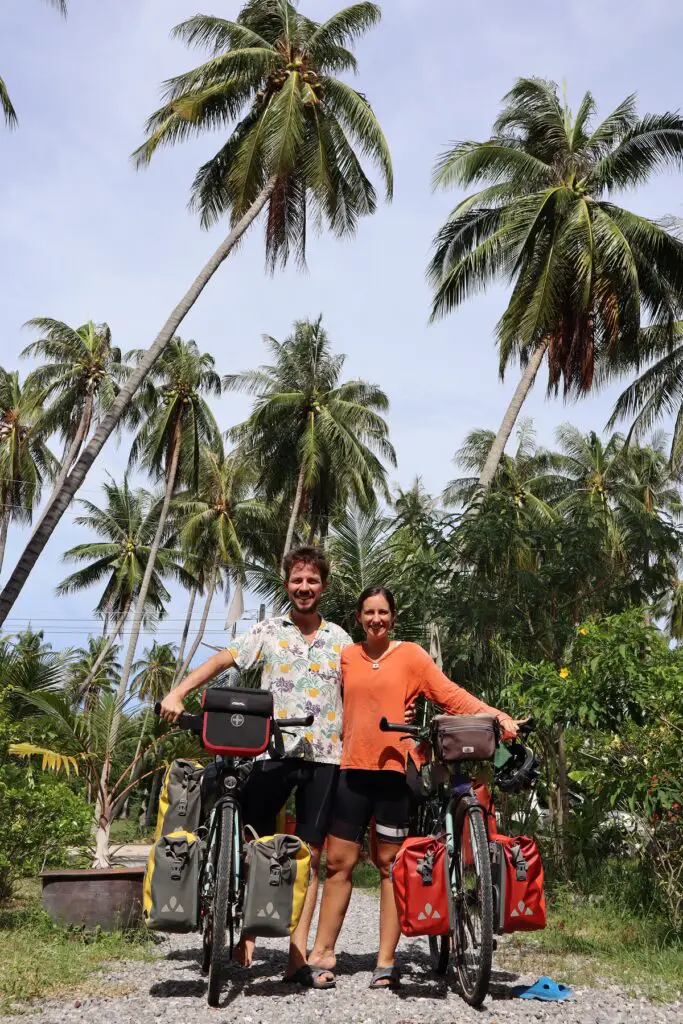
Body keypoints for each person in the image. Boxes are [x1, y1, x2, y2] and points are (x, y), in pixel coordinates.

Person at [308, 586, 521, 990]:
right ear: (359, 618)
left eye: (383, 612)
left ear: (393, 616)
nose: (376, 619)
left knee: (390, 866)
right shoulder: (346, 656)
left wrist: (497, 716)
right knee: (338, 864)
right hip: (351, 770)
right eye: (369, 612)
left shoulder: (411, 656)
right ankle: (322, 952)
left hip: (395, 774)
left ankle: (385, 962)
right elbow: (323, 701)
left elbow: (450, 696)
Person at [159, 546, 352, 988]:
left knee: (310, 855)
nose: (305, 588)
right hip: (271, 753)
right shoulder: (267, 630)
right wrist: (178, 693)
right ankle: (246, 931)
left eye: (313, 580)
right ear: (287, 584)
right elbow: (221, 659)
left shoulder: (341, 639)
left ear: (324, 585)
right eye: (298, 580)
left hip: (324, 756)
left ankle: (296, 959)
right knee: (256, 846)